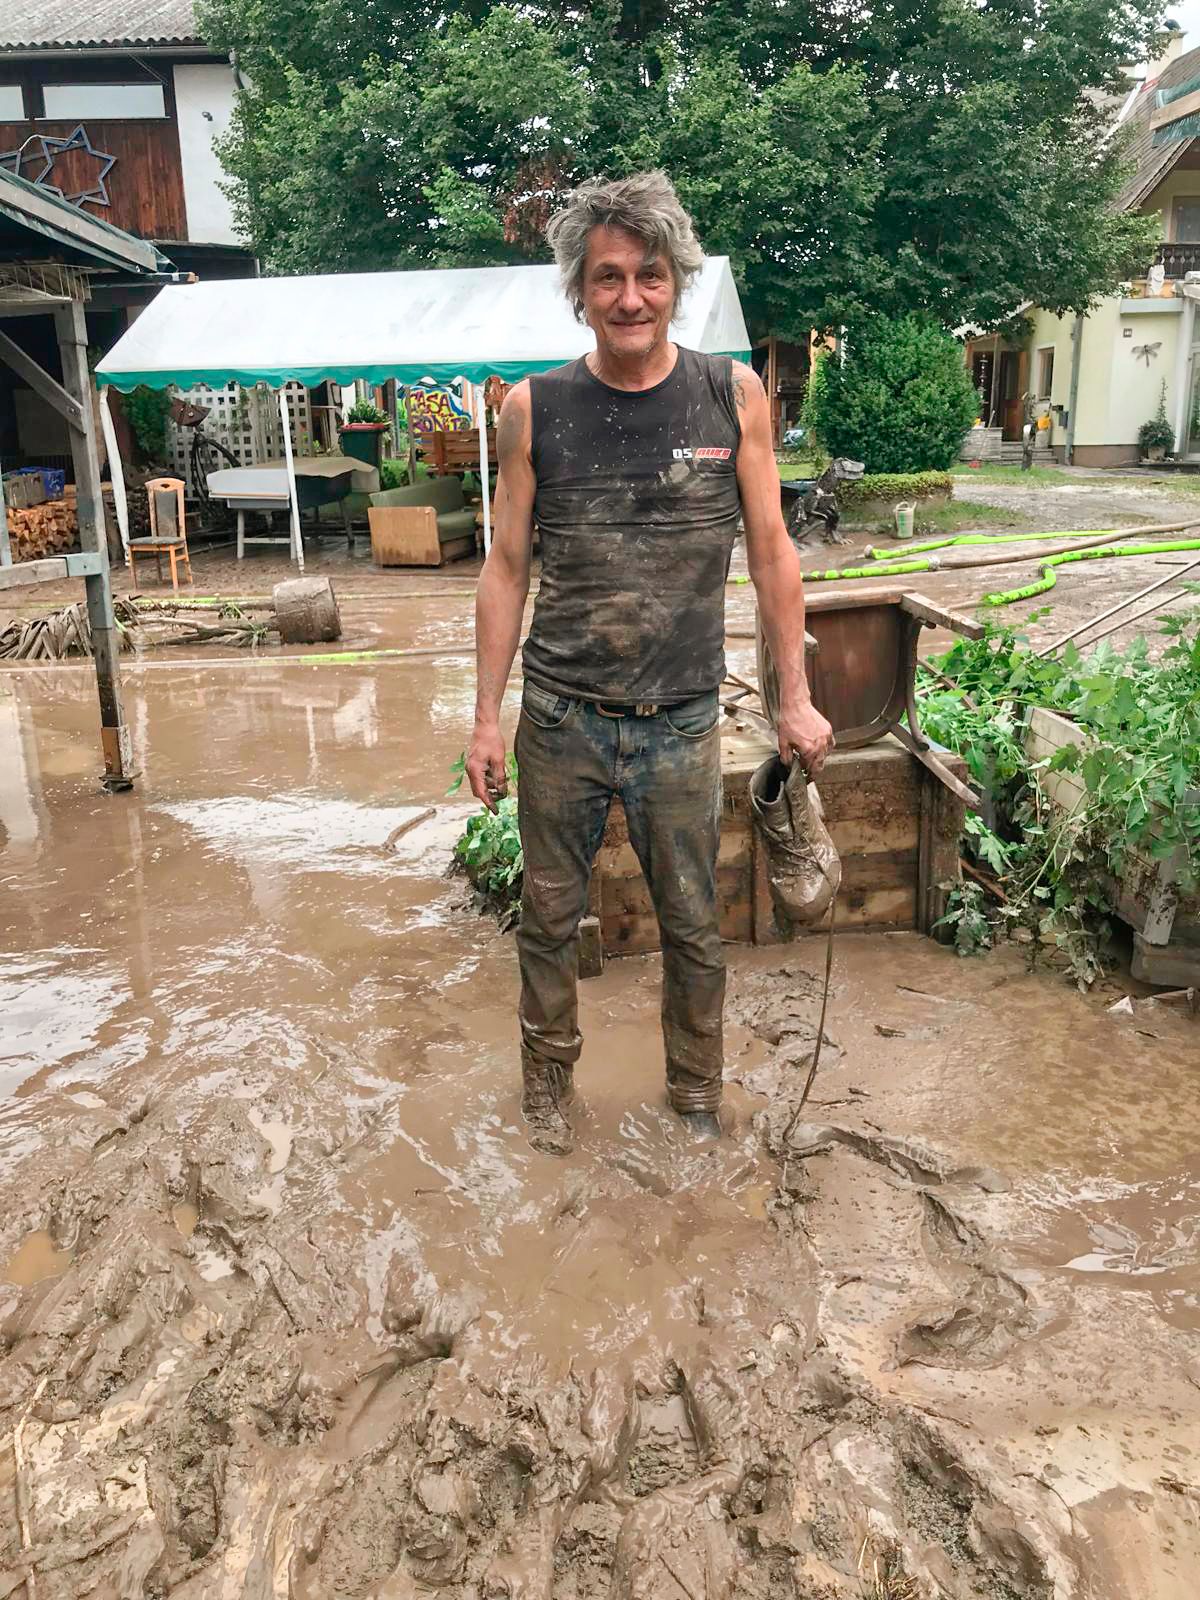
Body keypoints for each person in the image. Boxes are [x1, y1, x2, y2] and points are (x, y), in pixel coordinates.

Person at [466, 171, 834, 1154]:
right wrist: (483, 716)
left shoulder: (731, 395)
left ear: (679, 282)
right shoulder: (532, 410)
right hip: (560, 721)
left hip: (680, 722)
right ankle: (548, 1086)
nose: (631, 297)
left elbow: (771, 554)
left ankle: (695, 1095)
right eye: (608, 278)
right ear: (579, 292)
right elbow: (506, 571)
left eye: (651, 276)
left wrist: (793, 699)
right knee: (547, 917)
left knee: (694, 924)